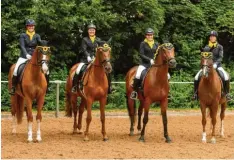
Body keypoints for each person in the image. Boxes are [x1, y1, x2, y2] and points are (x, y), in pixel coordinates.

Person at [10, 19, 49, 95]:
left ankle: (47, 86)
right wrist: (26, 54)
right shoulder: (23, 35)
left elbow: (40, 43)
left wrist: (44, 43)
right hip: (24, 56)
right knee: (16, 69)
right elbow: (22, 46)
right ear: (27, 27)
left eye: (32, 26)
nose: (31, 27)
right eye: (29, 26)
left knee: (47, 70)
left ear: (34, 27)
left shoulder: (37, 36)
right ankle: (14, 87)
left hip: (34, 57)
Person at [71, 23, 112, 93]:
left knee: (108, 70)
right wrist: (88, 56)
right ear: (88, 31)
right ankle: (75, 86)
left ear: (95, 31)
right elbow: (84, 49)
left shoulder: (99, 40)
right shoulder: (84, 39)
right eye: (90, 30)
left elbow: (101, 50)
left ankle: (109, 87)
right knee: (78, 70)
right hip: (86, 59)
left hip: (97, 60)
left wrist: (97, 57)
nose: (91, 31)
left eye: (93, 30)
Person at [193, 30, 232, 101]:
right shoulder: (206, 47)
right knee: (196, 77)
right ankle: (195, 94)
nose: (212, 37)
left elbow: (220, 57)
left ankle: (227, 93)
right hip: (207, 66)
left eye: (213, 36)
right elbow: (204, 57)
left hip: (217, 65)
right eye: (211, 36)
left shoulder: (220, 47)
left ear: (216, 38)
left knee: (225, 77)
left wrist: (216, 64)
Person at [130, 28, 159, 99]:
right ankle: (134, 92)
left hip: (155, 65)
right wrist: (149, 60)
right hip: (144, 64)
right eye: (148, 35)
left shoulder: (156, 44)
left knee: (167, 75)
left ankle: (167, 92)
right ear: (146, 36)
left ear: (153, 35)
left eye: (151, 35)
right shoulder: (143, 44)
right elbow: (141, 54)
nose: (149, 36)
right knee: (138, 75)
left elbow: (158, 54)